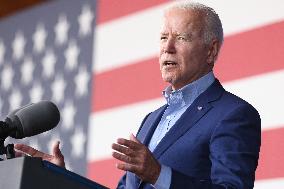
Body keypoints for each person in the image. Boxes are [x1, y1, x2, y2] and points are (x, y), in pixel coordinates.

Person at [14, 1, 261, 189]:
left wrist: (158, 175)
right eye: (164, 37)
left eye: (181, 37)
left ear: (211, 50)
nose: (167, 47)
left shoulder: (234, 115)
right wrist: (58, 176)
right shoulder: (152, 119)